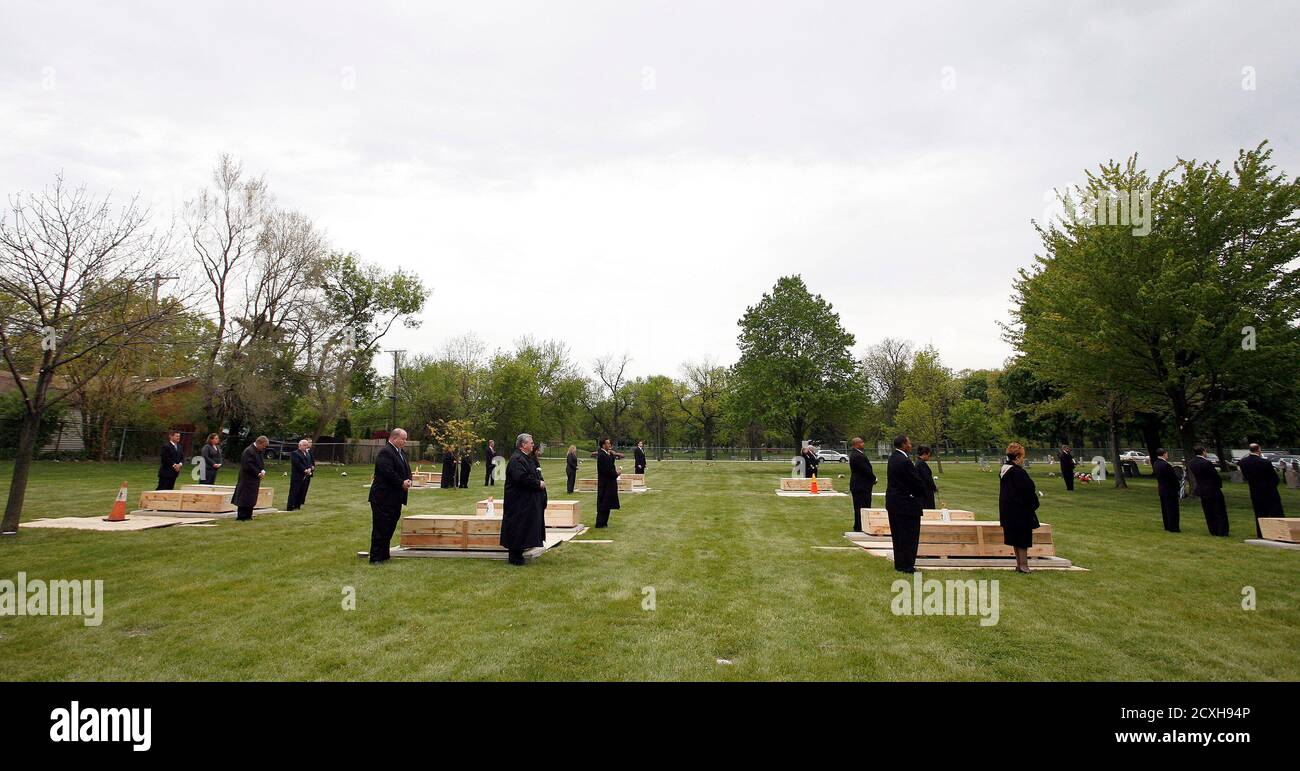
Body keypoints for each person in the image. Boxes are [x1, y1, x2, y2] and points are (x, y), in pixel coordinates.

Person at [367, 428, 412, 563]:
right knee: (381, 527)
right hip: (383, 497)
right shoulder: (385, 452)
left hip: (395, 497)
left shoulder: (400, 452)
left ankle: (384, 554)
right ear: (394, 438)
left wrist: (409, 480)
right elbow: (387, 472)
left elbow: (406, 469)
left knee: (390, 525)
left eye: (405, 439)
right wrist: (401, 483)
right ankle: (375, 557)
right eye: (403, 439)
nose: (405, 441)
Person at [501, 433, 545, 565]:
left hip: (525, 501)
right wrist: (538, 484)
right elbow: (521, 478)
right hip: (518, 502)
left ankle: (519, 553)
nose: (533, 444)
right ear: (523, 444)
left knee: (523, 527)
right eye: (531, 442)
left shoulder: (525, 458)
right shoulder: (516, 460)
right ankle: (515, 557)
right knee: (517, 527)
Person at [885, 434, 925, 573]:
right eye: (909, 442)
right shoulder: (905, 461)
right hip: (906, 503)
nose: (911, 444)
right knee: (909, 536)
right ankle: (907, 565)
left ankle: (900, 563)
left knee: (898, 536)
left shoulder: (893, 458)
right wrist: (921, 492)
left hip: (894, 502)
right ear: (903, 444)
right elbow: (915, 482)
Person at [999, 442, 1041, 574]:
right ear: (1017, 457)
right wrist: (1034, 504)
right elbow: (1027, 490)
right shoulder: (1018, 472)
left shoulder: (1004, 470)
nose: (1023, 460)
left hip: (1008, 508)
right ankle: (1023, 565)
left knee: (1015, 538)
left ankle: (1019, 564)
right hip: (1019, 509)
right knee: (1022, 538)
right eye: (1022, 457)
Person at [1238, 443, 1284, 538]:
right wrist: (1271, 486)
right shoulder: (1264, 462)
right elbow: (1274, 478)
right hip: (1269, 491)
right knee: (1275, 512)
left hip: (1255, 491)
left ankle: (1261, 533)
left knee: (1259, 514)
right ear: (1258, 449)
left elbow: (1246, 476)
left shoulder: (1243, 462)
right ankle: (1280, 533)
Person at [1187, 446, 1229, 536]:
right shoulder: (1206, 463)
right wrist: (1218, 485)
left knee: (1208, 511)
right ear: (1203, 452)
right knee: (1219, 510)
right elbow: (1214, 476)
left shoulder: (1191, 463)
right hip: (1212, 489)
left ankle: (1213, 529)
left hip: (1202, 489)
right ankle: (1222, 531)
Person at [232, 436, 268, 521]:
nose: (264, 448)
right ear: (259, 443)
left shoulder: (258, 451)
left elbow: (260, 463)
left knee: (251, 497)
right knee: (244, 497)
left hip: (254, 479)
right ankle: (241, 516)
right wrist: (257, 472)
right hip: (247, 478)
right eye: (263, 446)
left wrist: (262, 470)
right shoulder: (249, 451)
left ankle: (248, 515)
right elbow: (248, 465)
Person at [848, 437, 877, 532]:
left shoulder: (857, 454)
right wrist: (874, 478)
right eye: (861, 443)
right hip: (861, 485)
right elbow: (866, 470)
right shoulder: (857, 456)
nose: (863, 444)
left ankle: (860, 525)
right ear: (856, 444)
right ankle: (859, 526)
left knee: (860, 507)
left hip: (860, 485)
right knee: (862, 507)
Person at [1152, 448, 1181, 532]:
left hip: (1162, 489)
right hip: (1170, 490)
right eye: (1166, 454)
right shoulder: (1166, 465)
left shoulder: (1156, 463)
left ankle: (1167, 525)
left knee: (1165, 509)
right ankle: (1174, 527)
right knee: (1173, 509)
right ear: (1164, 454)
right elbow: (1172, 478)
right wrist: (1177, 486)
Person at [595, 437, 621, 528]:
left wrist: (612, 455)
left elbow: (611, 464)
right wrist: (616, 473)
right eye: (608, 443)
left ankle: (604, 522)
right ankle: (600, 523)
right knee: (603, 503)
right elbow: (606, 470)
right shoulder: (602, 455)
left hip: (609, 483)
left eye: (610, 443)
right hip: (605, 483)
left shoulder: (607, 454)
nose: (609, 445)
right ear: (603, 445)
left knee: (608, 503)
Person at [287, 438, 315, 511]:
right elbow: (297, 464)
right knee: (294, 491)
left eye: (307, 445)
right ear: (300, 445)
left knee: (302, 491)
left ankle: (297, 505)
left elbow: (309, 462)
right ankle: (290, 506)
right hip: (297, 476)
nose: (306, 446)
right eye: (304, 445)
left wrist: (309, 468)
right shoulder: (295, 453)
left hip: (306, 476)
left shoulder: (307, 453)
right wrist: (304, 470)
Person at [916, 445, 938, 509]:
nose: (929, 457)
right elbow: (927, 478)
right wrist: (934, 487)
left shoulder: (918, 463)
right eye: (929, 455)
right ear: (925, 454)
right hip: (926, 492)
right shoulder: (921, 464)